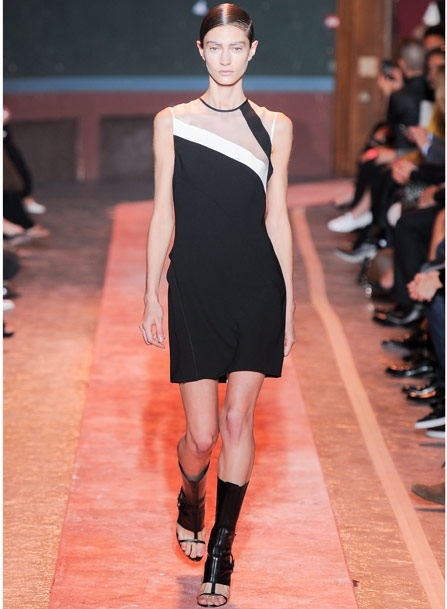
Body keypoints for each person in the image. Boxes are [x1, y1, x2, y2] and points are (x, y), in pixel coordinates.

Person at [139, 4, 295, 607]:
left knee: (237, 423)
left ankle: (222, 553)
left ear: (252, 50)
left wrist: (288, 306)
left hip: (257, 287)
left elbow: (277, 218)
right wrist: (151, 292)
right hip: (195, 286)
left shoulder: (275, 125)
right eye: (215, 47)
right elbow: (163, 210)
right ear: (200, 51)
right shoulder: (173, 121)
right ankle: (190, 495)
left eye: (236, 47)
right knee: (202, 437)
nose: (225, 58)